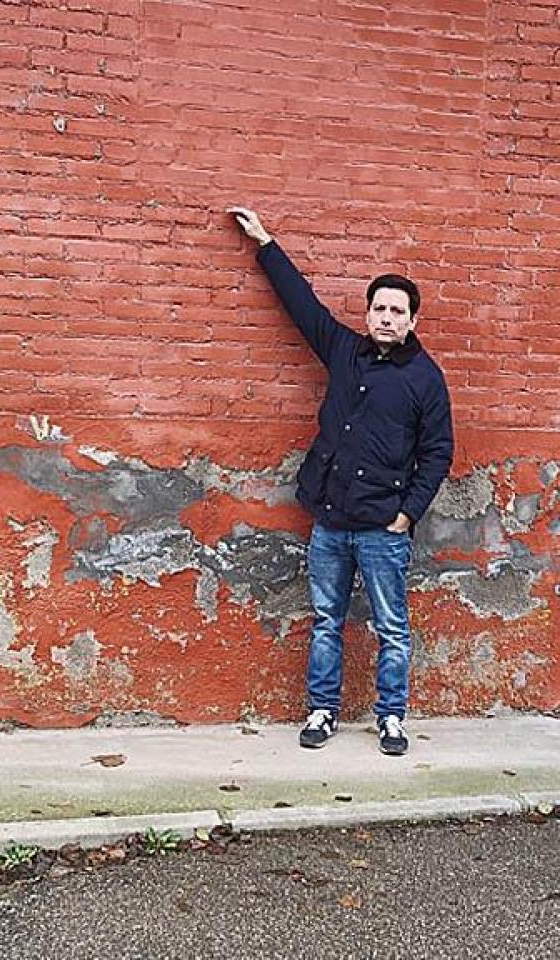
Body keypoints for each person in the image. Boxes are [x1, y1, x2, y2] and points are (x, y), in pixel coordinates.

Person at [228, 206, 454, 756]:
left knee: (392, 628)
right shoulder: (345, 351)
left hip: (382, 528)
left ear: (412, 321)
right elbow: (303, 306)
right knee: (326, 621)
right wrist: (266, 243)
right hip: (330, 519)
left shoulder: (426, 380)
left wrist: (407, 514)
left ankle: (391, 718)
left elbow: (438, 452)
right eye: (379, 308)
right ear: (368, 313)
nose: (386, 317)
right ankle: (323, 710)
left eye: (397, 311)